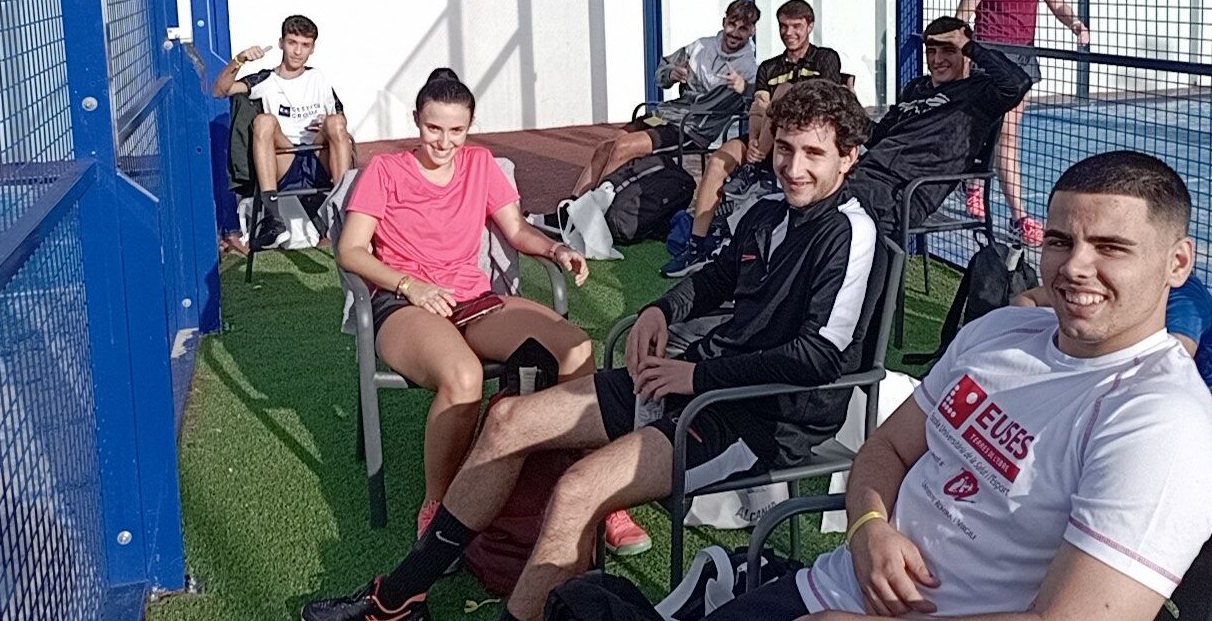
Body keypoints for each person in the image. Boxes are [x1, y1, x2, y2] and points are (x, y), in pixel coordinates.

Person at [304, 80, 887, 621]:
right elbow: (715, 278)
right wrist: (661, 310)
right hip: (693, 382)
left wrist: (695, 377)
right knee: (508, 421)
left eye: (813, 154)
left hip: (756, 418)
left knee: (577, 488)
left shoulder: (851, 231)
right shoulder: (768, 213)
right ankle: (399, 597)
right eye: (785, 149)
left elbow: (820, 358)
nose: (793, 167)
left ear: (848, 158)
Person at [706, 151, 1212, 621]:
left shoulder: (1161, 423)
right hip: (830, 587)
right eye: (1059, 241)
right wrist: (868, 526)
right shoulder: (1001, 333)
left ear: (1177, 263)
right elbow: (887, 447)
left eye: (1110, 247)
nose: (1075, 265)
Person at [336, 68, 650, 552]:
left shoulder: (481, 164)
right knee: (463, 377)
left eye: (456, 130)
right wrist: (411, 284)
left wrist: (555, 249)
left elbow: (517, 230)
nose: (444, 142)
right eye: (433, 128)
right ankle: (440, 507)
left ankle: (596, 490)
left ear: (470, 126)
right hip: (404, 302)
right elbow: (351, 250)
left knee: (575, 348)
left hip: (473, 299)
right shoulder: (385, 171)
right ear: (416, 120)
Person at [663, 0, 843, 278]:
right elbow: (758, 106)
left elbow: (826, 103)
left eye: (796, 26)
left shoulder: (826, 58)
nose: (789, 33)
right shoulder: (768, 67)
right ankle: (696, 246)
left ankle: (753, 166)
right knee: (720, 159)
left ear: (810, 26)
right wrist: (757, 143)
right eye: (783, 26)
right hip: (766, 140)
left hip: (808, 141)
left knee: (782, 92)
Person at [956, 0, 1090, 247]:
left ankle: (974, 183)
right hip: (992, 58)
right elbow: (962, 17)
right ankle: (1020, 217)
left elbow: (1057, 2)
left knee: (1003, 131)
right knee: (1005, 132)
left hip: (1023, 58)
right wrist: (963, 60)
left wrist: (1075, 23)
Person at [1013, 271, 1212, 450]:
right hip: (1152, 391)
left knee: (1162, 407)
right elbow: (1026, 300)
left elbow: (1165, 372)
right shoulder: (1123, 288)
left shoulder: (1186, 301)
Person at [843, 17, 1032, 244]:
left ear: (966, 54)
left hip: (905, 190)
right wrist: (847, 106)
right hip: (866, 173)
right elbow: (878, 137)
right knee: (813, 200)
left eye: (948, 50)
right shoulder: (916, 87)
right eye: (931, 51)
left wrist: (969, 45)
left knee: (836, 220)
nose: (937, 60)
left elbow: (1018, 83)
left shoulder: (979, 92)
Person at [570, 0, 760, 197]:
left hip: (691, 128)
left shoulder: (749, 69)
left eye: (743, 28)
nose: (735, 32)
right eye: (732, 24)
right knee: (605, 146)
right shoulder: (700, 47)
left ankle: (595, 207)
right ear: (723, 22)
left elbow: (757, 107)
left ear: (752, 31)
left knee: (623, 147)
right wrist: (672, 73)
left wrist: (745, 88)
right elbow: (662, 73)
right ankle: (572, 205)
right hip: (667, 114)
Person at [213, 13, 353, 249]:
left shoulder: (318, 78)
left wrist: (326, 122)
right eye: (292, 43)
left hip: (318, 157)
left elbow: (341, 121)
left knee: (336, 122)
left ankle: (342, 211)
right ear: (281, 43)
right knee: (264, 121)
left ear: (312, 48)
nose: (298, 51)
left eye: (305, 45)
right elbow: (220, 90)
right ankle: (272, 217)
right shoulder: (265, 79)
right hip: (283, 159)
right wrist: (240, 60)